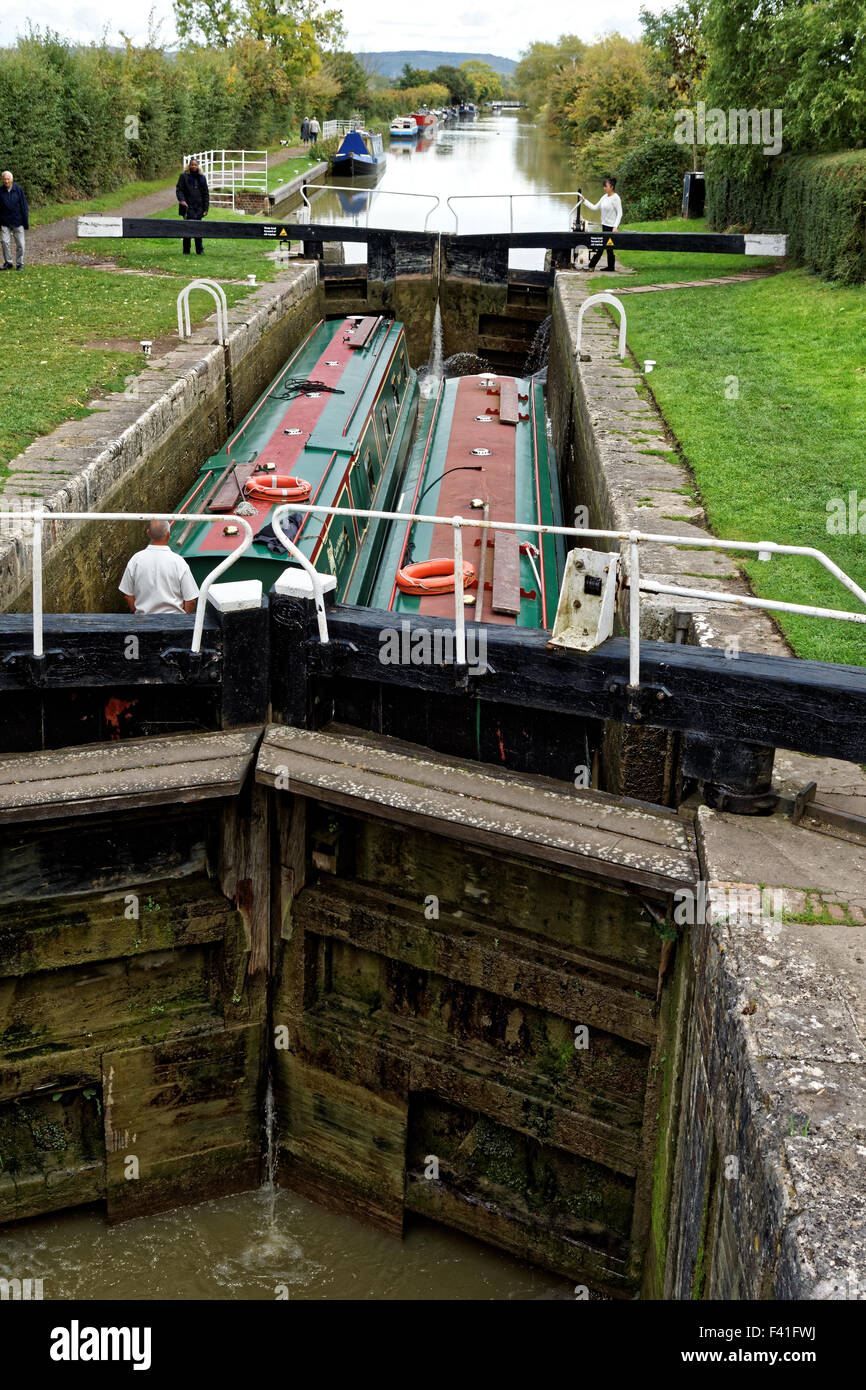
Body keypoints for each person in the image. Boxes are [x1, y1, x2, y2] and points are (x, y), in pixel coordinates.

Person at [119, 519, 199, 615]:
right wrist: (182, 620)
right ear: (168, 535)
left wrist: (138, 614)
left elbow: (128, 595)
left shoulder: (135, 560)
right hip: (174, 622)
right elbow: (191, 601)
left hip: (143, 621)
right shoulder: (179, 562)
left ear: (148, 533)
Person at [579, 177, 623, 272]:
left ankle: (591, 266)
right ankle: (611, 267)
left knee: (601, 247)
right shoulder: (604, 197)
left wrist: (615, 226)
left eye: (605, 186)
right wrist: (584, 201)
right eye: (603, 186)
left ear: (611, 187)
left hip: (611, 227)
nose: (604, 188)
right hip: (604, 225)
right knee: (608, 248)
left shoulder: (616, 198)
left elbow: (620, 213)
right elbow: (595, 208)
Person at [175, 156, 210, 256]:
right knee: (187, 229)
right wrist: (181, 200)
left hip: (199, 207)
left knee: (198, 229)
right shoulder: (183, 176)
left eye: (195, 165)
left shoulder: (202, 177)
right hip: (187, 207)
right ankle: (186, 250)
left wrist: (206, 208)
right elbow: (179, 190)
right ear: (189, 166)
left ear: (198, 166)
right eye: (192, 165)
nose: (193, 166)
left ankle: (200, 250)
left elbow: (205, 194)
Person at [0, 170, 28, 271]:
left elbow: (24, 206)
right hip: (4, 221)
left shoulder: (18, 189)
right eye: (4, 179)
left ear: (11, 179)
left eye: (8, 179)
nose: (6, 181)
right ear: (2, 180)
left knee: (20, 243)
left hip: (18, 220)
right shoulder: (1, 191)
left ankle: (20, 263)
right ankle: (8, 262)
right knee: (4, 242)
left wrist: (25, 222)